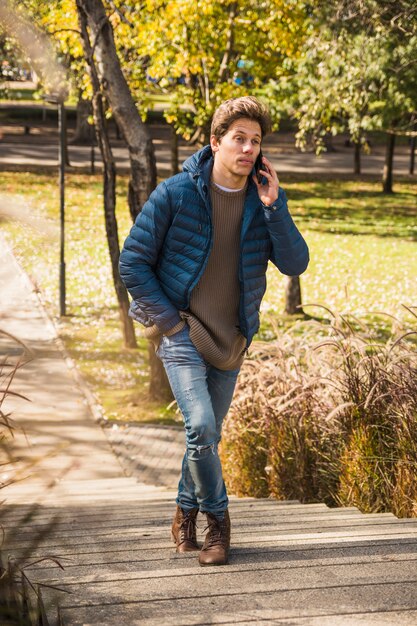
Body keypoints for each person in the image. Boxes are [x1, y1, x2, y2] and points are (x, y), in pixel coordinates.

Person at [119, 96, 309, 566]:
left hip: (232, 340)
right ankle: (217, 525)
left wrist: (275, 205)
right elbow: (133, 262)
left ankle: (183, 511)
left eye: (255, 141)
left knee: (204, 438)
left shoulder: (261, 204)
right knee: (201, 426)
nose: (247, 148)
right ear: (215, 142)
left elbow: (295, 262)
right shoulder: (176, 193)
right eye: (238, 139)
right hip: (182, 333)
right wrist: (168, 324)